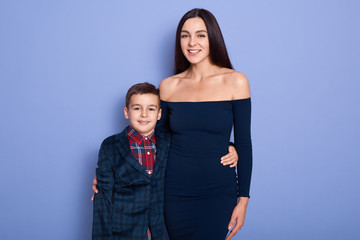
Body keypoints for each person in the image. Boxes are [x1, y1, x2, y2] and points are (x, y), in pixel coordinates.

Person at [157, 8, 252, 240]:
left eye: (200, 35)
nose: (192, 43)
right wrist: (112, 170)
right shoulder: (169, 86)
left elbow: (245, 143)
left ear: (213, 38)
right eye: (185, 35)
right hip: (174, 192)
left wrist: (243, 201)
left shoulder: (236, 81)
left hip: (218, 191)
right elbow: (155, 142)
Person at [92, 83, 171, 240]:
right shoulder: (111, 145)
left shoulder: (168, 143)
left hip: (157, 231)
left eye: (151, 109)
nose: (144, 114)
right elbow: (103, 201)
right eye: (137, 108)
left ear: (159, 114)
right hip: (122, 232)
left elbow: (197, 148)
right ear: (126, 112)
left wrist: (230, 146)